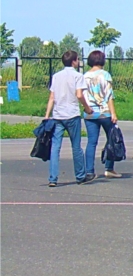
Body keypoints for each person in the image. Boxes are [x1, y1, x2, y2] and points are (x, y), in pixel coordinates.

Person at [43, 51, 94, 186]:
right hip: (72, 114)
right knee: (76, 146)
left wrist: (47, 116)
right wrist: (87, 108)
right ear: (74, 61)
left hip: (58, 115)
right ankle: (80, 176)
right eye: (77, 60)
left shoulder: (56, 76)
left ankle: (53, 178)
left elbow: (52, 97)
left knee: (55, 147)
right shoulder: (78, 76)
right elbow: (79, 95)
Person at [82, 50, 120, 180]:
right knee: (111, 139)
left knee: (91, 142)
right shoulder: (105, 75)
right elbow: (109, 95)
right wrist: (113, 113)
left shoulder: (85, 76)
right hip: (104, 112)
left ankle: (89, 171)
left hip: (89, 113)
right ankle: (109, 168)